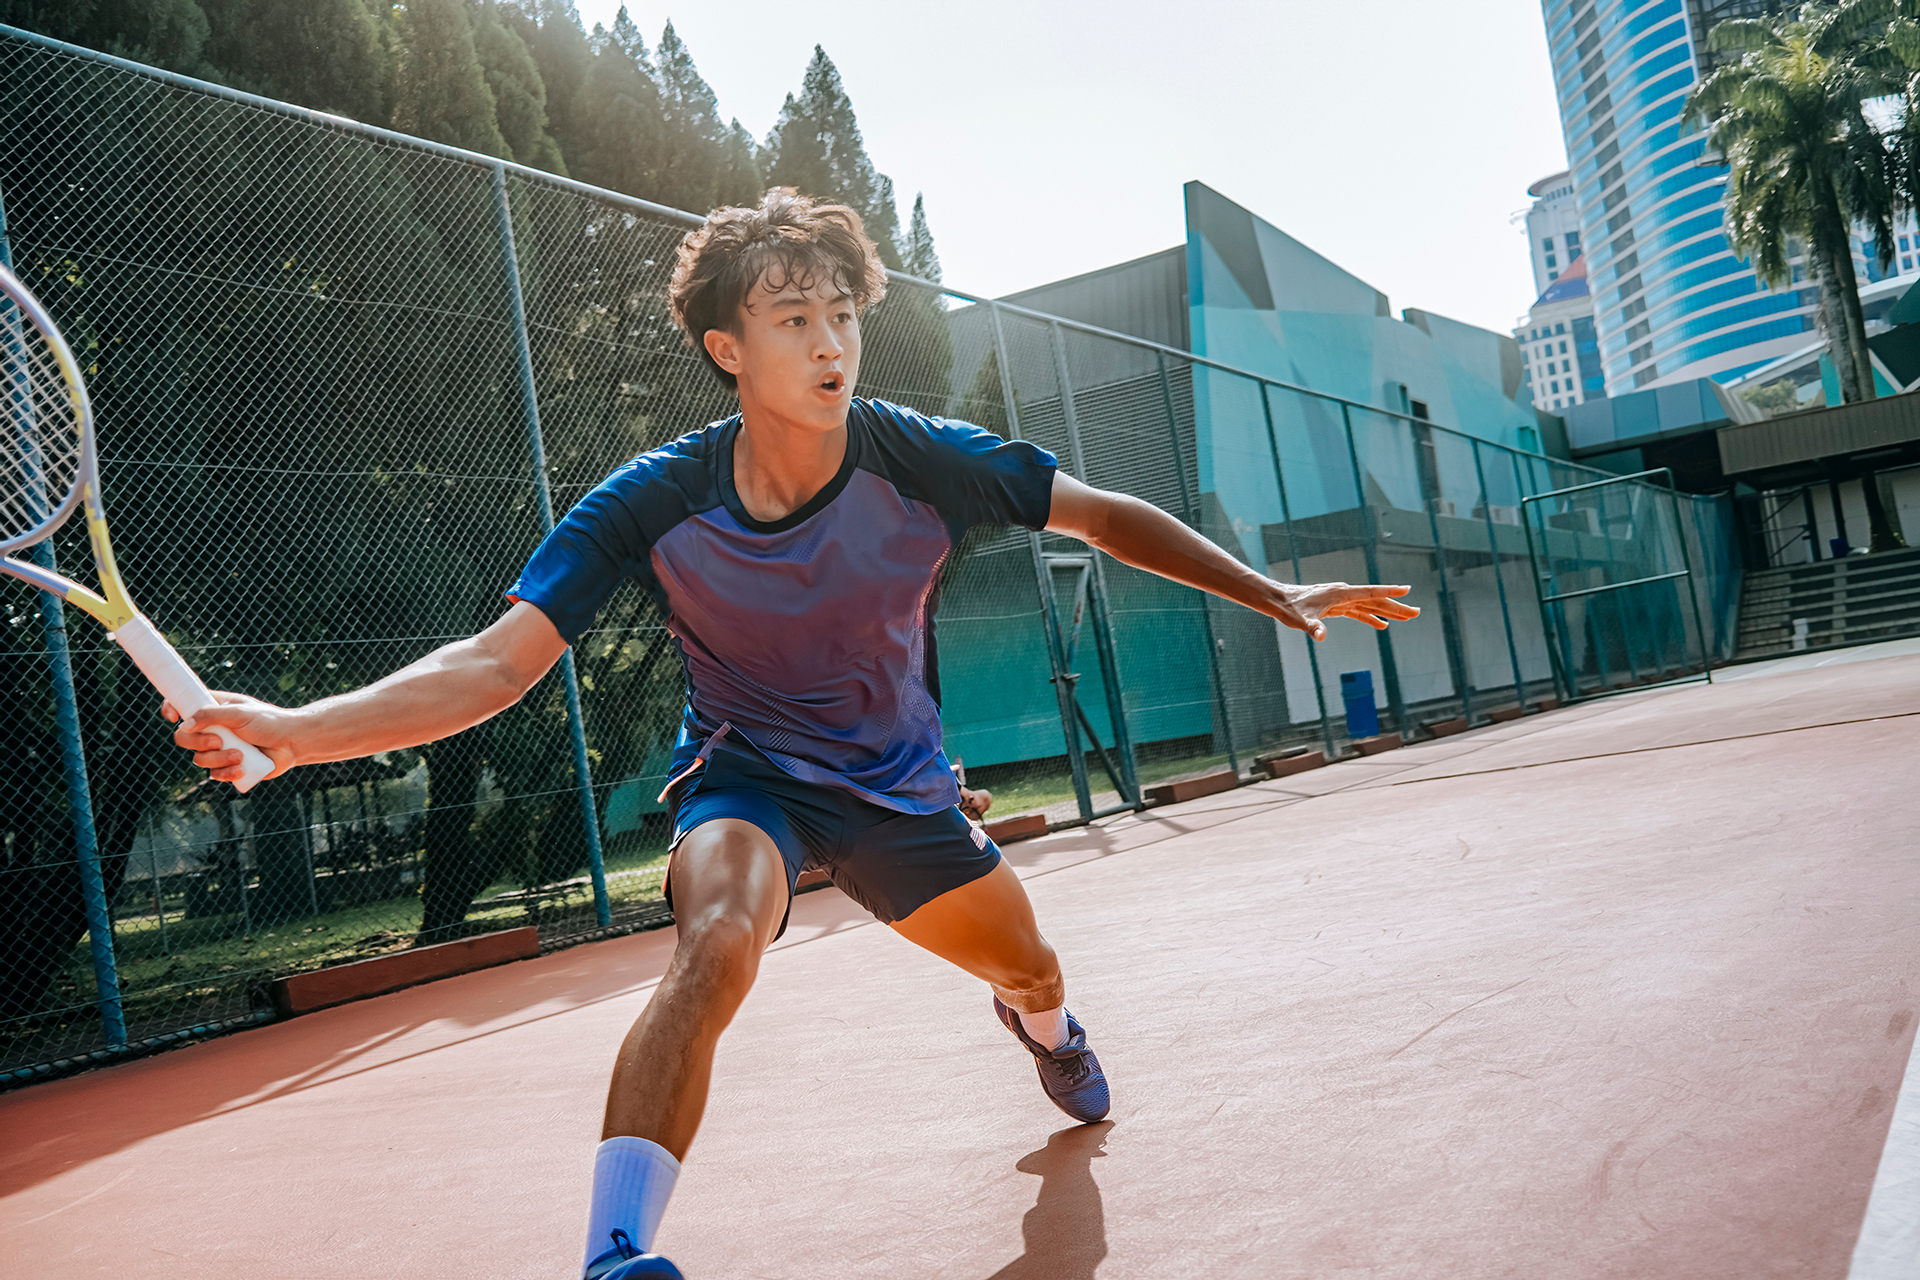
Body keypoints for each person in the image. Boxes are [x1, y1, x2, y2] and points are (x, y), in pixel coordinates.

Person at [171, 188, 1418, 1279]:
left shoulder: (922, 458)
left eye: (843, 315)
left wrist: (1276, 590)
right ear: (727, 346)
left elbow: (1102, 511)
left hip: (900, 791)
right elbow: (497, 664)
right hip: (745, 774)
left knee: (1030, 967)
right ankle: (617, 1251)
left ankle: (1045, 1028)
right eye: (793, 319)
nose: (832, 345)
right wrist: (295, 730)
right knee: (714, 940)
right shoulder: (655, 500)